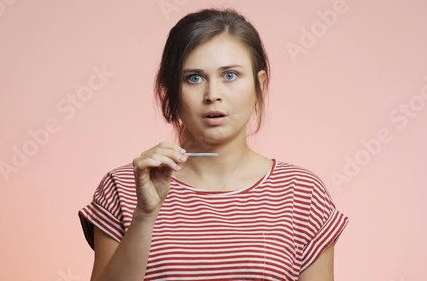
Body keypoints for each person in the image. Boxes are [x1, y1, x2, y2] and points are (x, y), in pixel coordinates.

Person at [78, 8, 349, 281]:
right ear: (170, 91)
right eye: (194, 78)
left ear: (259, 84)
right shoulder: (125, 186)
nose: (213, 95)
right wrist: (145, 215)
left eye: (230, 75)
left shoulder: (301, 193)